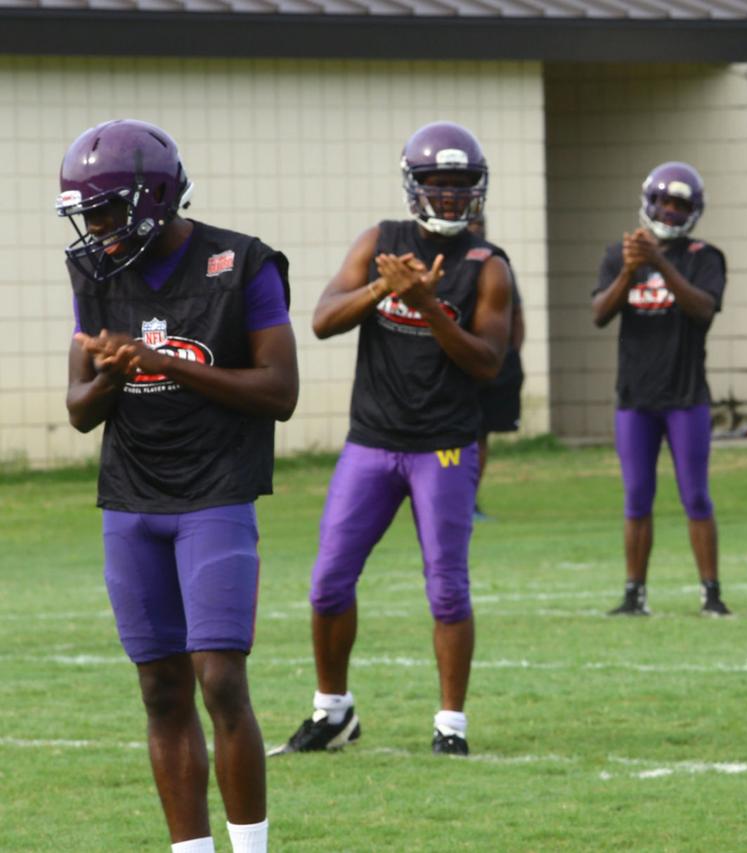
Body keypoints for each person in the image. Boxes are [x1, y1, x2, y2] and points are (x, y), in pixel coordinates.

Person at [61, 119, 297, 853]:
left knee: (221, 677)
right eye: (86, 214)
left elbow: (279, 389)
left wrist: (164, 362)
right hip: (131, 497)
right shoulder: (95, 272)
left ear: (152, 200)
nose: (94, 229)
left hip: (216, 492)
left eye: (104, 211)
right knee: (161, 690)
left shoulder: (244, 263)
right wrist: (111, 373)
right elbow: (77, 411)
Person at [270, 121, 512, 758]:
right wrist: (384, 287)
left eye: (462, 185)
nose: (452, 196)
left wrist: (429, 304)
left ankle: (450, 725)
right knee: (327, 581)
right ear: (415, 186)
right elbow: (322, 320)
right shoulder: (381, 241)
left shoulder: (488, 265)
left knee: (447, 587)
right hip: (372, 441)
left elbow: (488, 362)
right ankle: (332, 710)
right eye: (439, 183)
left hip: (445, 447)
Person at [592, 162, 731, 618]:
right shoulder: (621, 254)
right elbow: (599, 313)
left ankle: (711, 593)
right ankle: (634, 593)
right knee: (636, 497)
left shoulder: (704, 256)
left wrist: (660, 263)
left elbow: (702, 310)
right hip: (635, 398)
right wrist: (631, 270)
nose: (671, 211)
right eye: (665, 202)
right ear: (650, 203)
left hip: (686, 396)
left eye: (680, 204)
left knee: (695, 495)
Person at [468, 215, 525, 521]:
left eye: (481, 223)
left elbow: (515, 314)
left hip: (490, 365)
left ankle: (471, 501)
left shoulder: (495, 263)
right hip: (458, 367)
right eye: (472, 223)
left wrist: (510, 354)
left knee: (481, 436)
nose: (476, 228)